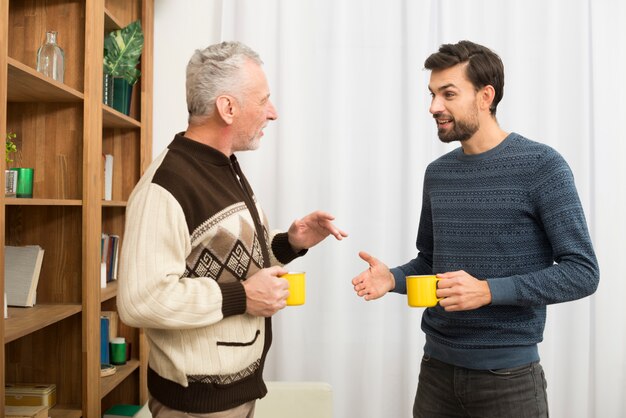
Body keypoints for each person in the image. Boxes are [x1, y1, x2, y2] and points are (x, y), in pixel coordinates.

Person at [352, 40, 599, 418]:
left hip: (509, 380)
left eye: (448, 94)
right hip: (436, 372)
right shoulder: (438, 174)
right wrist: (393, 279)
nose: (434, 107)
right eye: (433, 94)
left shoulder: (542, 166)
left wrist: (488, 291)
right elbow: (432, 263)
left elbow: (582, 272)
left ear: (486, 96)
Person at [117, 41, 347, 418]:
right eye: (263, 100)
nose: (272, 113)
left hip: (236, 395)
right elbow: (140, 299)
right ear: (228, 108)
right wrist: (241, 297)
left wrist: (290, 244)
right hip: (196, 407)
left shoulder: (224, 167)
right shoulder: (165, 187)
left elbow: (231, 262)